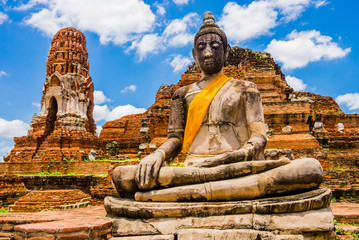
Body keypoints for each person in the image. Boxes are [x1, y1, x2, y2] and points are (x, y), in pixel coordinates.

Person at [112, 12, 323, 202]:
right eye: (201, 47)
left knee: (310, 169)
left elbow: (259, 136)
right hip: (194, 169)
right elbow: (175, 139)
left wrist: (241, 154)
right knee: (122, 175)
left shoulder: (245, 88)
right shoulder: (182, 94)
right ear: (194, 54)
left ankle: (178, 195)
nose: (208, 53)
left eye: (215, 46)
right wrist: (157, 155)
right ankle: (222, 191)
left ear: (227, 51)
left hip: (237, 166)